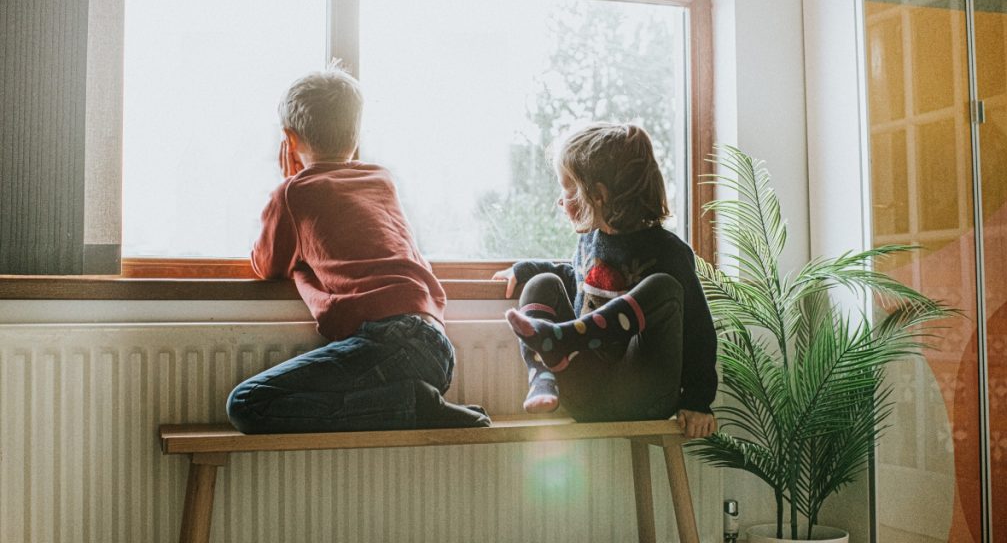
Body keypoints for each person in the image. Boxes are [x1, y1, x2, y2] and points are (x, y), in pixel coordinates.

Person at [227, 63, 490, 433]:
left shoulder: (294, 192)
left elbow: (267, 265)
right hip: (436, 346)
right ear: (355, 134)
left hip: (391, 342)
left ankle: (410, 405)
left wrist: (291, 185)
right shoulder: (381, 179)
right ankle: (409, 401)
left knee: (247, 403)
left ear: (289, 139)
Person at [493, 122, 717, 438]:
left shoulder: (668, 252)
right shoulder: (589, 242)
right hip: (582, 392)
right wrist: (525, 269)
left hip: (642, 395)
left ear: (598, 195)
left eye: (567, 188)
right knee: (541, 283)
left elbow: (698, 331)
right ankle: (543, 375)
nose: (560, 200)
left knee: (664, 288)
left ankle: (565, 339)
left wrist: (697, 400)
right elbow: (578, 280)